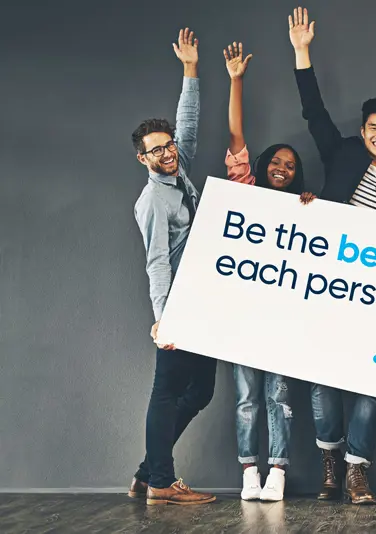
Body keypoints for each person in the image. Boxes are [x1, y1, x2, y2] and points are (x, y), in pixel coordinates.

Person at [289, 6, 376, 505]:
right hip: (328, 286)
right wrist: (302, 53)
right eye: (373, 127)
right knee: (324, 380)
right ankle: (330, 459)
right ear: (364, 130)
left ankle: (356, 470)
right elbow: (315, 115)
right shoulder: (343, 153)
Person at [222, 41, 315, 503]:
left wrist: (313, 213)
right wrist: (236, 80)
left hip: (282, 318)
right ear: (264, 168)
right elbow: (236, 138)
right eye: (276, 162)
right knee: (246, 399)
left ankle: (277, 470)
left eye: (290, 166)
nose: (282, 168)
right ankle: (248, 472)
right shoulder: (247, 193)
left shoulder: (304, 209)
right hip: (243, 316)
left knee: (279, 397)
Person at [128, 28, 216, 506]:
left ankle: (148, 470)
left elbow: (190, 126)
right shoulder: (154, 202)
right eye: (156, 150)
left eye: (168, 146)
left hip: (202, 299)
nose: (167, 152)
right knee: (167, 392)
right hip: (179, 305)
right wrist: (164, 318)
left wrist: (190, 71)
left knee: (199, 391)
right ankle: (161, 481)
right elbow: (156, 262)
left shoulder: (178, 171)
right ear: (141, 158)